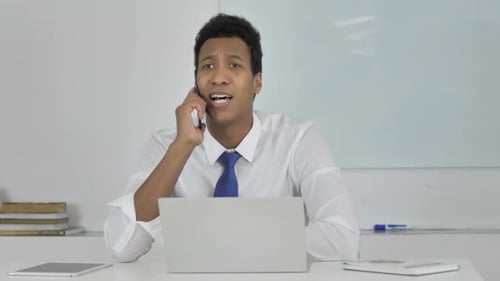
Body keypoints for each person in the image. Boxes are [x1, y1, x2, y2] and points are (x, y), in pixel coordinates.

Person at [104, 13, 359, 263]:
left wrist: (235, 246)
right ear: (195, 84)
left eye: (234, 65)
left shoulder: (299, 140)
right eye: (208, 66)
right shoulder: (166, 146)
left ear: (257, 82)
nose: (218, 78)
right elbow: (121, 246)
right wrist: (182, 147)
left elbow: (343, 239)